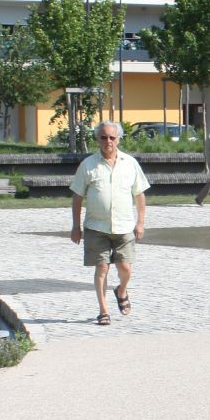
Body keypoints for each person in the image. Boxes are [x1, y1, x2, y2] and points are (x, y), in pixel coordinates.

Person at [69, 121, 149, 325]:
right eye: (103, 137)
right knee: (102, 268)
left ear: (119, 139)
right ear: (97, 139)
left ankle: (121, 290)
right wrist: (76, 226)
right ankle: (103, 311)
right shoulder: (88, 165)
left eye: (112, 137)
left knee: (125, 268)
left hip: (124, 227)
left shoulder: (130, 163)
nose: (108, 141)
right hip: (96, 227)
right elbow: (77, 196)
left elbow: (139, 195)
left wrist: (140, 222)